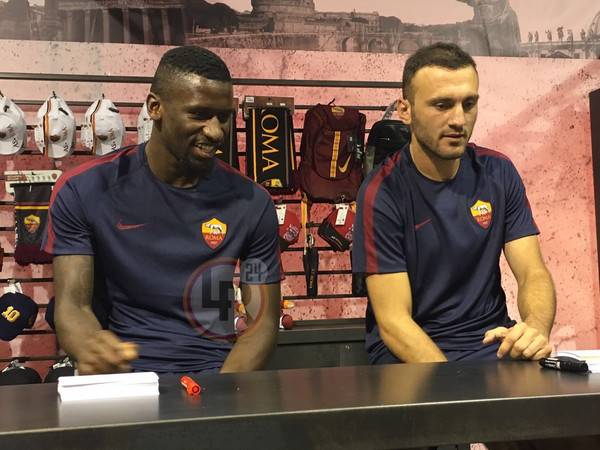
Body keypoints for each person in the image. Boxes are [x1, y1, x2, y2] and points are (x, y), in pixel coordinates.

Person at [42, 46, 282, 375]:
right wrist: (91, 346)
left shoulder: (252, 202)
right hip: (122, 375)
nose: (215, 131)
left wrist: (224, 392)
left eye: (224, 117)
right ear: (155, 108)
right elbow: (73, 304)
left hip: (215, 372)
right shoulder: (84, 189)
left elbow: (261, 324)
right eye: (199, 114)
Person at [352, 42, 556, 365]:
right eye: (442, 105)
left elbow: (533, 273)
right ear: (405, 110)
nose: (459, 119)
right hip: (410, 357)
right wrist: (456, 385)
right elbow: (394, 323)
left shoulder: (499, 172)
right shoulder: (381, 193)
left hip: (492, 344)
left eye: (468, 104)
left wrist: (535, 331)